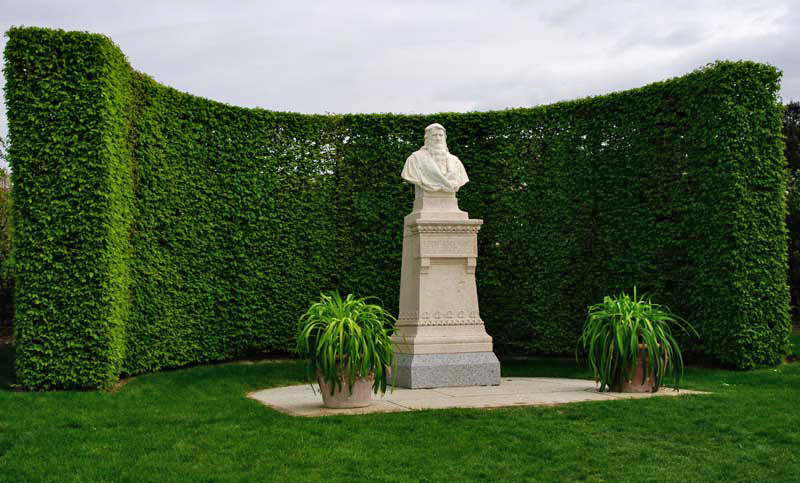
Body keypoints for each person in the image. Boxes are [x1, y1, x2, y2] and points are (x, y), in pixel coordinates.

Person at [401, 123, 469, 193]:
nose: (438, 138)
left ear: (444, 138)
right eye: (434, 135)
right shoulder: (415, 159)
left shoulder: (455, 161)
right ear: (427, 138)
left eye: (441, 135)